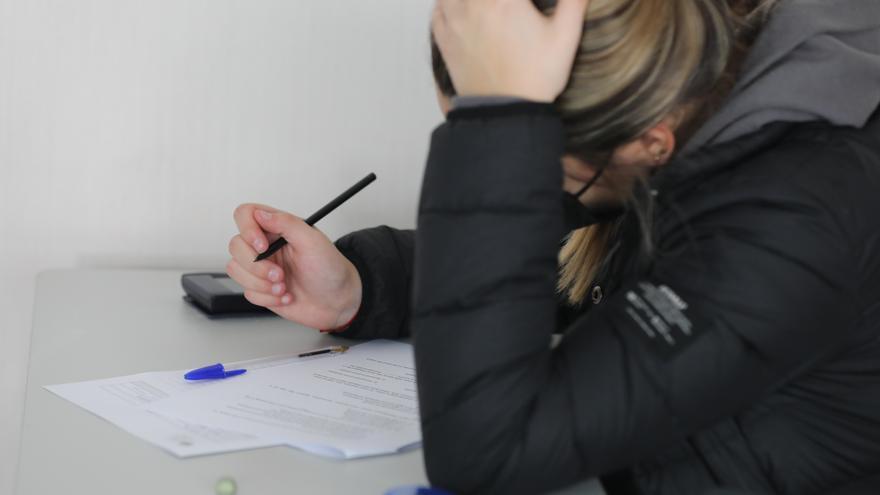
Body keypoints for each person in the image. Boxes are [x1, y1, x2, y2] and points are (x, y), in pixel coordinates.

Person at [225, 0, 880, 493]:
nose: (526, 188)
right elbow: (557, 251)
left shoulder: (798, 213)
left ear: (650, 143)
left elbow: (490, 449)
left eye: (538, 167)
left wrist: (501, 121)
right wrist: (364, 283)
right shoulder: (705, 99)